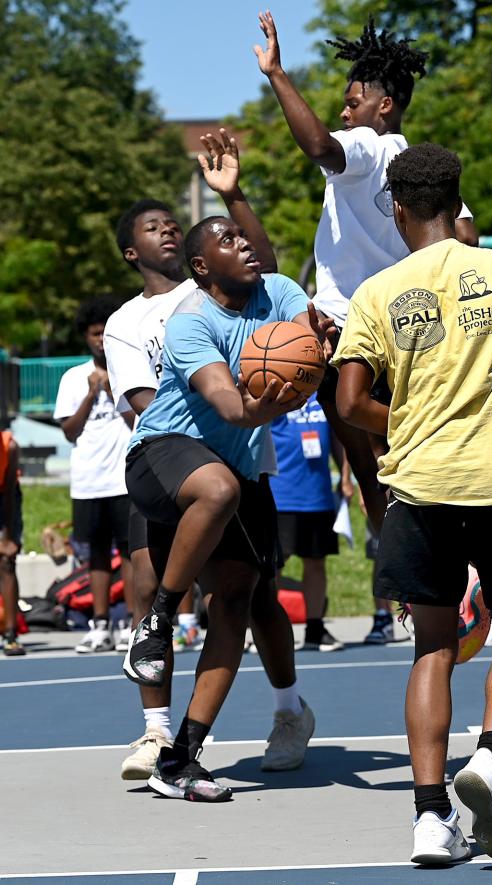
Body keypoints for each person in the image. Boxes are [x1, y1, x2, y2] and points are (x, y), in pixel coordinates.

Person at [334, 143, 492, 864]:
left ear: (396, 209)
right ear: (457, 202)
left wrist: (409, 421)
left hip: (417, 488)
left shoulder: (376, 292)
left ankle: (431, 818)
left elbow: (349, 401)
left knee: (434, 647)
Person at [256, 12, 479, 643]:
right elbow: (466, 234)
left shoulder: (366, 148)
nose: (344, 112)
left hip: (352, 327)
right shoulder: (420, 163)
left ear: (384, 104)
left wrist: (277, 75)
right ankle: (445, 570)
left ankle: (419, 576)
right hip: (411, 327)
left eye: (352, 102)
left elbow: (319, 147)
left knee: (367, 457)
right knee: (394, 459)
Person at [105, 129, 315, 781]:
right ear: (201, 266)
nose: (243, 243)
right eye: (226, 239)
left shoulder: (274, 299)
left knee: (238, 601)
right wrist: (284, 398)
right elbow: (230, 408)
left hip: (237, 469)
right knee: (217, 491)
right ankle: (160, 622)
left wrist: (234, 193)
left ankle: (181, 757)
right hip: (162, 458)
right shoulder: (192, 321)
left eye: (243, 237)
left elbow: (272, 258)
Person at [54, 298, 134, 654]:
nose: (100, 339)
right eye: (94, 334)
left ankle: (134, 624)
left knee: (131, 552)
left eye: (105, 333)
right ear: (85, 337)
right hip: (90, 481)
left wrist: (113, 390)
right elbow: (70, 431)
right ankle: (100, 624)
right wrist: (91, 393)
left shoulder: (131, 372)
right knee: (97, 554)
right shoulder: (73, 378)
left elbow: (139, 422)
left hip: (127, 478)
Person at [269, 393, 343, 651]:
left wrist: (345, 476)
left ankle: (315, 629)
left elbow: (336, 438)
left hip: (318, 495)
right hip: (280, 493)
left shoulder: (324, 393)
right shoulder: (277, 390)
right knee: (275, 567)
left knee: (315, 563)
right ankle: (270, 629)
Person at [0, 427, 25, 656]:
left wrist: (7, 537)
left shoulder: (9, 446)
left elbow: (7, 493)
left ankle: (10, 634)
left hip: (4, 498)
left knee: (7, 561)